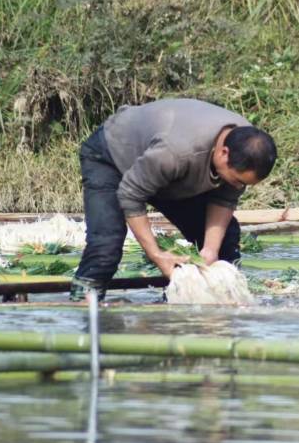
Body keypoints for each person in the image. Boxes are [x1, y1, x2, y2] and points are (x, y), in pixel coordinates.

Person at [70, 98, 277, 301]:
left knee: (224, 241)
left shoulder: (249, 146)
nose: (239, 188)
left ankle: (203, 306)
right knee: (106, 244)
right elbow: (130, 194)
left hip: (170, 174)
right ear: (224, 153)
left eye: (245, 184)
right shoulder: (176, 152)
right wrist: (156, 254)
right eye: (237, 180)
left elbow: (224, 200)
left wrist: (210, 250)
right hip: (113, 158)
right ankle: (83, 301)